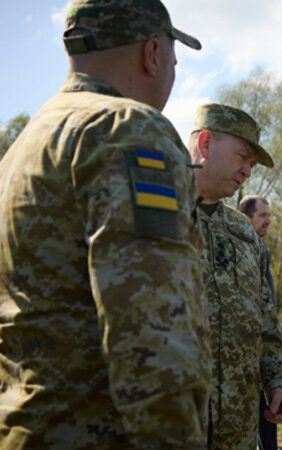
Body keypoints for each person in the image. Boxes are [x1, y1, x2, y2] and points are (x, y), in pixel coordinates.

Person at [0, 0, 210, 447]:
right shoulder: (125, 129)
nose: (173, 72)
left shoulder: (21, 149)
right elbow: (155, 340)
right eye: (174, 58)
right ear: (153, 53)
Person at [188, 103, 282, 449]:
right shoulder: (151, 213)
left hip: (237, 431)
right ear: (205, 144)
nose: (248, 171)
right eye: (243, 157)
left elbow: (263, 314)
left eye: (252, 163)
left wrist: (279, 378)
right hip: (172, 427)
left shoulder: (243, 231)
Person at [238, 194, 279, 450]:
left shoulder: (261, 251)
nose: (268, 221)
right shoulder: (240, 251)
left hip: (264, 356)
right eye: (263, 215)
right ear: (246, 217)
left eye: (269, 215)